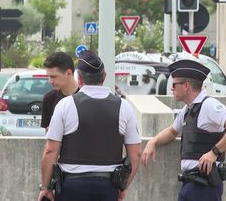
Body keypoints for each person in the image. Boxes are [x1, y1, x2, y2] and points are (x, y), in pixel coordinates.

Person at [38, 50, 141, 201]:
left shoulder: (65, 105)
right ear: (104, 77)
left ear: (79, 78)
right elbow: (136, 154)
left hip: (71, 187)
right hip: (108, 187)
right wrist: (122, 187)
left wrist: (45, 188)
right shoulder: (124, 107)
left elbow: (50, 150)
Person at [142, 60, 226, 201]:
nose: (171, 89)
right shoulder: (188, 110)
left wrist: (214, 153)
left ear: (186, 86)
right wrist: (153, 141)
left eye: (174, 85)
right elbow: (172, 131)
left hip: (204, 185)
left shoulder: (209, 105)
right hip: (190, 184)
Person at [41, 52, 79, 130]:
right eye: (48, 76)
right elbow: (48, 136)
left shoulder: (87, 98)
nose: (50, 81)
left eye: (53, 77)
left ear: (69, 73)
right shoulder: (48, 99)